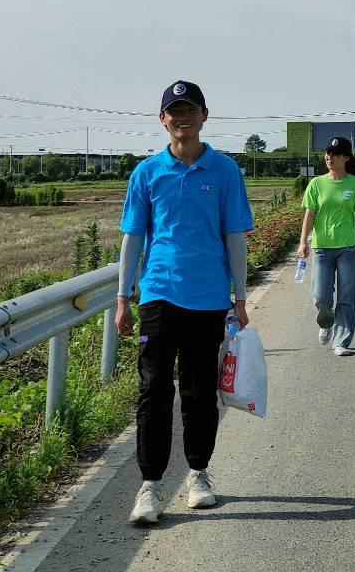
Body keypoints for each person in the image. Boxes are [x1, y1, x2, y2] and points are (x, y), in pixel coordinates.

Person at [115, 80, 254, 525]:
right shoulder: (147, 173)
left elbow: (235, 236)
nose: (182, 118)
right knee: (154, 389)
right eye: (174, 111)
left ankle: (198, 475)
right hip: (158, 294)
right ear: (162, 120)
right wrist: (122, 297)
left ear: (204, 116)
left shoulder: (225, 171)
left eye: (190, 109)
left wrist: (241, 296)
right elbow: (133, 238)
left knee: (198, 391)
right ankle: (150, 485)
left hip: (209, 297)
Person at [298, 136, 355, 356]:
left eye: (335, 154)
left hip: (347, 247)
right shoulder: (317, 184)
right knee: (320, 296)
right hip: (321, 248)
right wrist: (303, 241)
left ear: (346, 158)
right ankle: (326, 322)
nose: (330, 157)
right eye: (328, 153)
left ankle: (341, 341)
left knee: (347, 295)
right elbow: (309, 213)